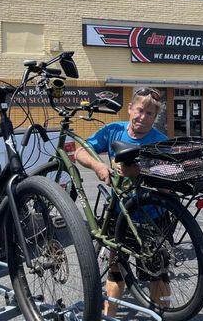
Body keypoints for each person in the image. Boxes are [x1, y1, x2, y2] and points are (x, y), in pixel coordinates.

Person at [74, 87, 168, 317]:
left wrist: (139, 171)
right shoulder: (113, 131)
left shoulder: (160, 141)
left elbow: (169, 181)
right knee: (116, 267)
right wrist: (98, 165)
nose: (142, 117)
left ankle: (164, 314)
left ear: (155, 118)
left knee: (157, 272)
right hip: (119, 214)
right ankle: (110, 314)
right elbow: (79, 152)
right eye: (140, 110)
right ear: (130, 109)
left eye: (150, 114)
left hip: (152, 216)